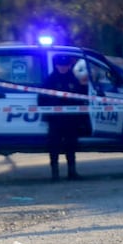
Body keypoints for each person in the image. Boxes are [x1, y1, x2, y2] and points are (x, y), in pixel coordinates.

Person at [38, 53, 89, 181]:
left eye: (65, 65)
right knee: (54, 146)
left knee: (71, 146)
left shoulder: (73, 80)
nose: (63, 68)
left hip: (71, 120)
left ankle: (72, 172)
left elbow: (81, 97)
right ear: (56, 65)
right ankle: (55, 174)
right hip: (55, 120)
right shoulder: (50, 80)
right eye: (60, 65)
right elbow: (42, 100)